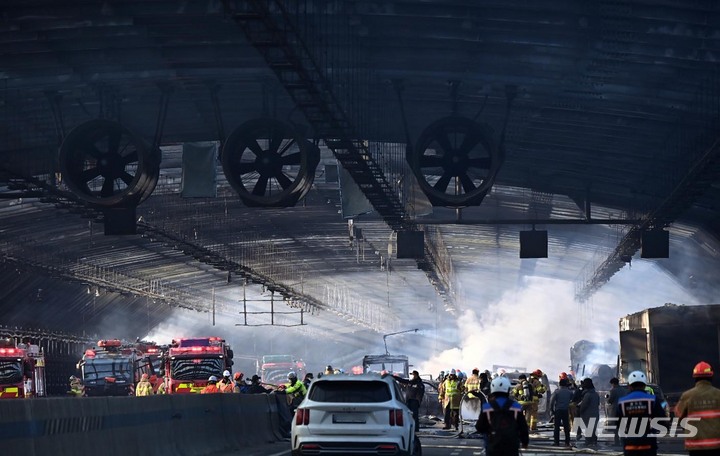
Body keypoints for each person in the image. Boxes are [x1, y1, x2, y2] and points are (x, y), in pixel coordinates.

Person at [476, 376, 529, 456]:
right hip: (511, 446)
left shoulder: (487, 407)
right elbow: (523, 427)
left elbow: (479, 427)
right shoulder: (516, 407)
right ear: (508, 389)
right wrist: (525, 442)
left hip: (493, 445)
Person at [675, 361, 720, 454]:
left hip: (695, 446)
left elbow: (678, 415)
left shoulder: (687, 396)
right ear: (711, 376)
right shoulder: (718, 394)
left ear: (695, 377)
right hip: (716, 445)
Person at [616, 370, 665, 456]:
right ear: (644, 385)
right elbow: (662, 420)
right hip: (648, 443)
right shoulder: (652, 399)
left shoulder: (622, 401)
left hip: (630, 443)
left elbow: (618, 423)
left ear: (629, 386)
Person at [550, 377, 574, 447]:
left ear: (559, 384)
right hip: (565, 410)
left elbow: (552, 401)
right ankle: (567, 442)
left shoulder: (557, 392)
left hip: (558, 411)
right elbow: (572, 400)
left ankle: (556, 442)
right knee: (566, 427)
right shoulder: (569, 392)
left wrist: (552, 410)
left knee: (556, 427)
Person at [577, 377, 600, 445]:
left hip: (588, 415)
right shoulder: (596, 394)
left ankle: (588, 442)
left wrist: (580, 411)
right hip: (595, 414)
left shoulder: (587, 395)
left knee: (588, 429)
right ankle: (594, 441)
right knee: (593, 428)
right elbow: (598, 403)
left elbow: (584, 405)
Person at [606, 377, 628, 445]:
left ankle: (617, 441)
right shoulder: (623, 390)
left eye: (612, 384)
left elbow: (610, 400)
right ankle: (623, 440)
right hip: (623, 410)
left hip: (615, 410)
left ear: (613, 383)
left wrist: (607, 398)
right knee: (622, 426)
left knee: (615, 427)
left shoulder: (613, 390)